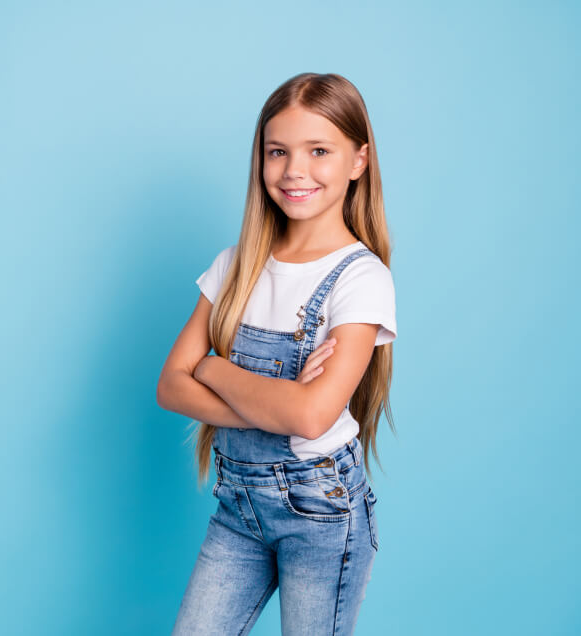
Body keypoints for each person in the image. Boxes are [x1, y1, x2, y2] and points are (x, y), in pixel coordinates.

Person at [157, 72, 398, 635]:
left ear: (358, 161)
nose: (294, 170)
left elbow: (313, 416)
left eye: (319, 151)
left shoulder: (360, 278)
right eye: (278, 151)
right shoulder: (235, 263)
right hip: (237, 506)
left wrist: (213, 368)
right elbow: (170, 386)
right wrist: (279, 401)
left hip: (321, 509)